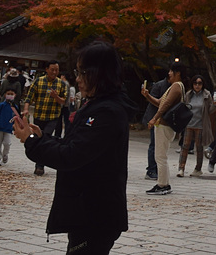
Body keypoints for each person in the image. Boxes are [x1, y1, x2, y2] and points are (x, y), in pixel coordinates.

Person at [13, 41, 130, 254]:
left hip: (97, 212)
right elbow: (74, 145)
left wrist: (31, 140)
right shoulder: (96, 105)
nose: (78, 79)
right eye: (78, 72)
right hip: (87, 209)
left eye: (82, 72)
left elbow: (71, 156)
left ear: (99, 73)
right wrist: (41, 137)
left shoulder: (107, 112)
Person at [145, 62, 186, 195]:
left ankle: (162, 184)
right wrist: (147, 95)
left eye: (171, 71)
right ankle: (164, 183)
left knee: (160, 156)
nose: (169, 73)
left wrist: (154, 118)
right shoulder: (175, 86)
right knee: (161, 155)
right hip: (165, 124)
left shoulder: (176, 86)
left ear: (177, 73)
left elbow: (166, 104)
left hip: (164, 124)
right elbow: (159, 102)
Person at [23, 60, 69, 176]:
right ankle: (38, 162)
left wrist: (56, 97)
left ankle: (40, 166)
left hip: (53, 116)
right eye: (52, 69)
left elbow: (64, 101)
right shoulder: (38, 81)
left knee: (45, 137)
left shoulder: (61, 84)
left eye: (57, 70)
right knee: (38, 138)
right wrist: (26, 109)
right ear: (47, 69)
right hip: (39, 115)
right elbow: (29, 97)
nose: (54, 72)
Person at [177, 75, 213, 178]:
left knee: (199, 147)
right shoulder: (188, 94)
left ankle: (198, 168)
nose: (197, 85)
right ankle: (181, 168)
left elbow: (210, 110)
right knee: (185, 146)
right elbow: (183, 107)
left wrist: (215, 104)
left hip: (200, 124)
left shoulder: (206, 95)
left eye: (200, 83)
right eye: (195, 83)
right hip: (189, 123)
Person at [140, 75, 168, 181]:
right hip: (155, 117)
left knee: (160, 145)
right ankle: (151, 169)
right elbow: (154, 102)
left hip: (162, 119)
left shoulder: (173, 87)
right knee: (154, 144)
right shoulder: (160, 85)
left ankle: (156, 168)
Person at [0, 88, 17, 165]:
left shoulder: (15, 107)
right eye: (8, 94)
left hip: (8, 128)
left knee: (7, 143)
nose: (10, 95)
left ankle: (5, 155)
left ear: (15, 95)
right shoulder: (1, 105)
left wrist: (15, 127)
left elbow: (16, 118)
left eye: (12, 94)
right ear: (5, 95)